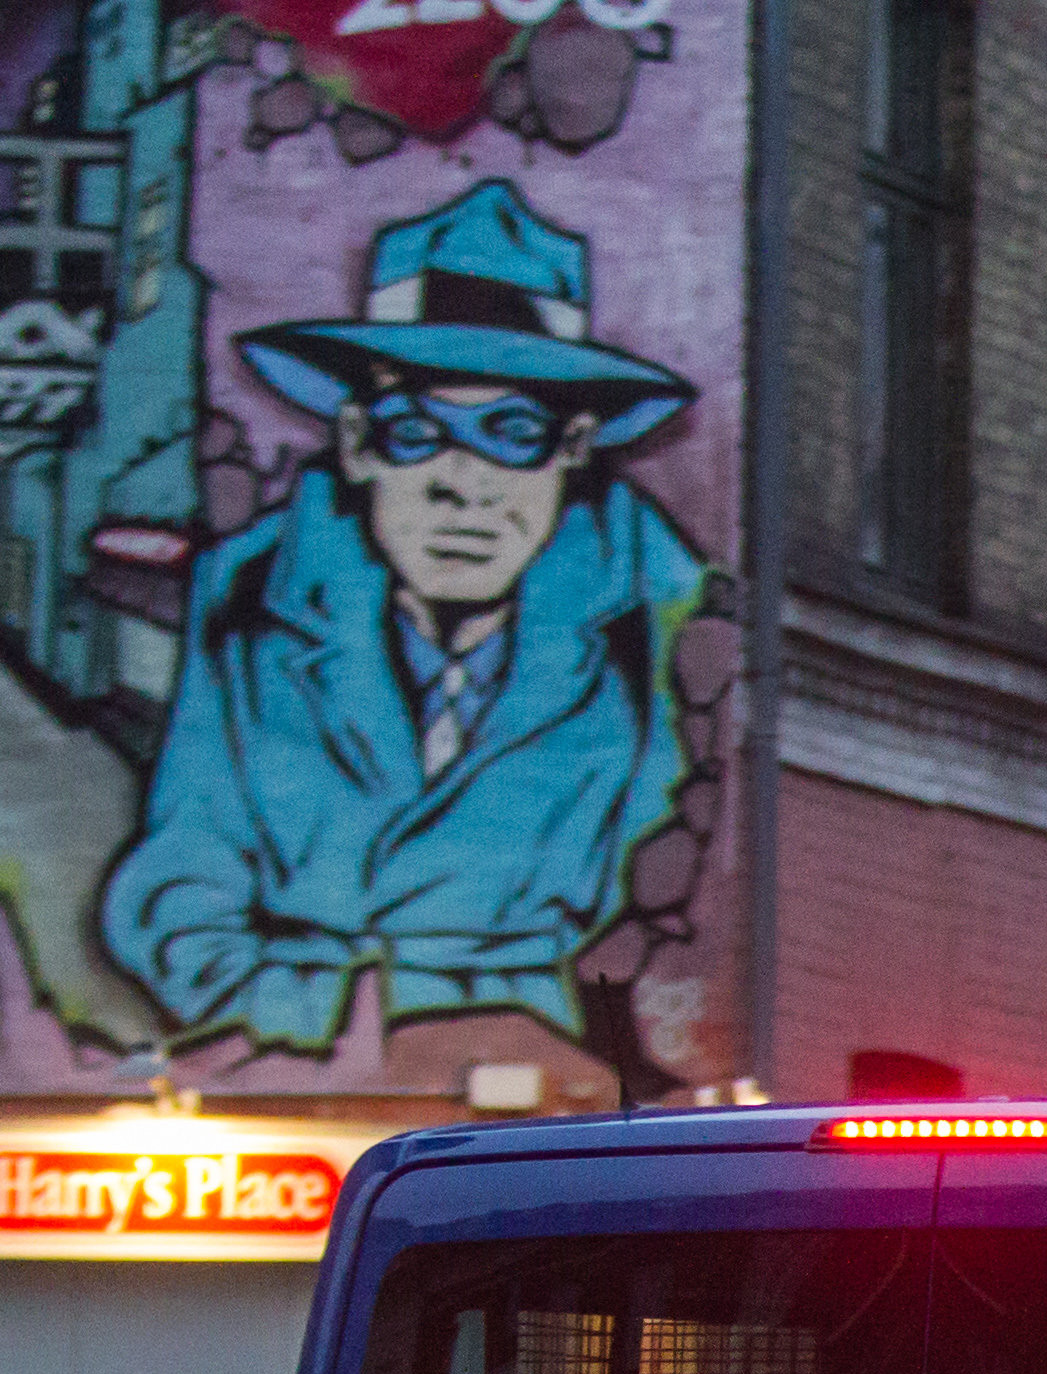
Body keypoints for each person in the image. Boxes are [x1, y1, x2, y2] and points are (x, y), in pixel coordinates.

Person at [105, 183, 710, 1056]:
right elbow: (179, 883)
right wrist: (322, 1034)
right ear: (354, 444)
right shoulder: (250, 599)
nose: (461, 482)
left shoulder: (662, 615)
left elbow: (668, 889)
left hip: (539, 1074)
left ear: (574, 453)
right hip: (293, 1065)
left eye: (512, 431)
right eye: (413, 431)